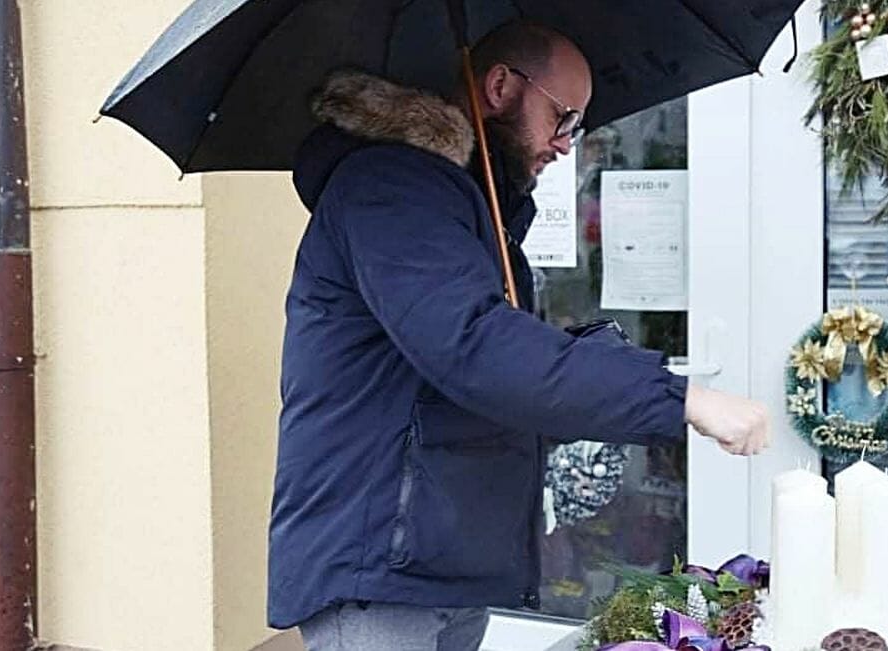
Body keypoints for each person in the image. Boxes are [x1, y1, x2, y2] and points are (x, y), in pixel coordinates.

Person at [270, 20, 771, 651]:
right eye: (564, 117)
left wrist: (591, 366)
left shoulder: (467, 207)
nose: (566, 143)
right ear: (501, 86)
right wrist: (678, 397)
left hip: (439, 560)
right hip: (380, 567)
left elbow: (481, 377)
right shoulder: (390, 190)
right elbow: (475, 349)